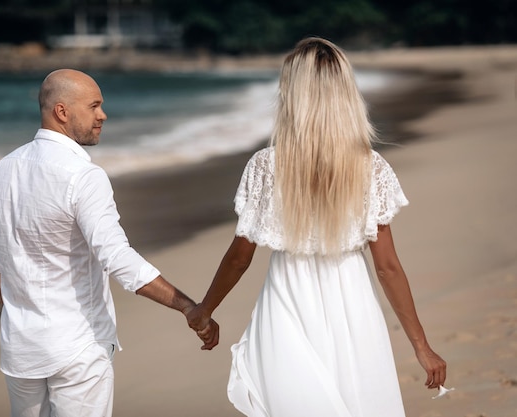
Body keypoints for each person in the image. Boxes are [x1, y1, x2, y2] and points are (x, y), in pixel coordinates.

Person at [187, 37, 447, 416]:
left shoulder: (267, 165)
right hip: (353, 306)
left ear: (291, 94)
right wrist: (421, 347)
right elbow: (387, 266)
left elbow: (240, 258)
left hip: (288, 304)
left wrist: (204, 310)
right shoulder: (368, 166)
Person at [0, 68, 219, 417]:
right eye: (94, 106)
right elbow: (117, 258)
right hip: (77, 347)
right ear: (62, 111)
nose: (102, 115)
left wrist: (25, 317)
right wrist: (188, 307)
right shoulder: (83, 176)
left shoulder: (2, 169)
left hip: (21, 348)